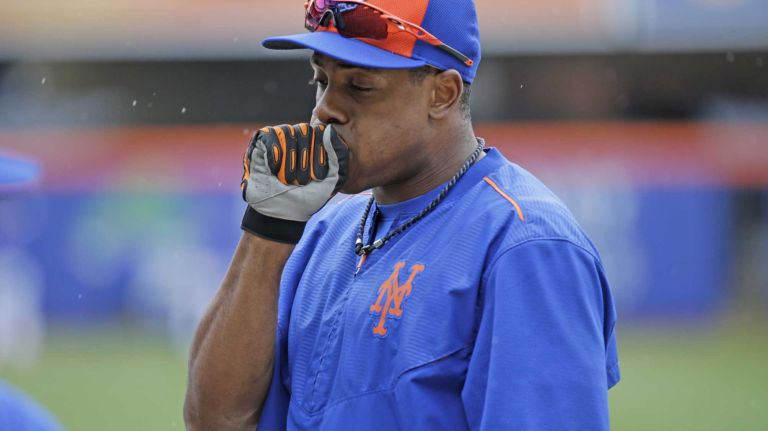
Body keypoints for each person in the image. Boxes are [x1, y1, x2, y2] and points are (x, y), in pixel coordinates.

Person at [184, 0, 620, 429]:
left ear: (442, 94)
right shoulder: (321, 234)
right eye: (321, 80)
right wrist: (267, 228)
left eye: (359, 86)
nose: (323, 110)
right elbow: (214, 421)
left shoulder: (526, 245)